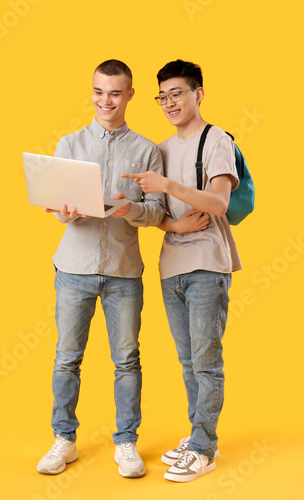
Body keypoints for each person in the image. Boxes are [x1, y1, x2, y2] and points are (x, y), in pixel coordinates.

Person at [37, 59, 165, 478]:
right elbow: (57, 207)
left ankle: (126, 443)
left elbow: (158, 211)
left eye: (114, 92)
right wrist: (65, 212)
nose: (105, 100)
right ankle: (64, 440)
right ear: (91, 92)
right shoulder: (68, 144)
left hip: (124, 271)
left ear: (129, 95)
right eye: (98, 92)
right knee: (66, 357)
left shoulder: (148, 151)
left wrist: (132, 210)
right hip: (73, 268)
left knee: (127, 360)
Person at [122, 59, 242, 482]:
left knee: (207, 361)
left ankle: (205, 450)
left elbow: (219, 204)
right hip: (171, 267)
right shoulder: (162, 149)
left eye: (178, 93)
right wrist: (167, 216)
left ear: (199, 94)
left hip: (208, 263)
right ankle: (197, 436)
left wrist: (168, 185)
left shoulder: (216, 141)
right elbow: (156, 214)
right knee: (189, 361)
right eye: (163, 96)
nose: (170, 102)